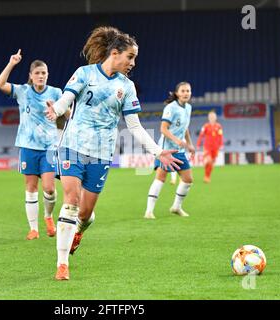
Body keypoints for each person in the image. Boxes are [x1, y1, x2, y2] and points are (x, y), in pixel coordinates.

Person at [45, 26, 183, 280]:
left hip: (101, 153)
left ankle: (79, 231)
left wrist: (157, 151)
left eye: (134, 59)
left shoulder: (126, 87)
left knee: (85, 214)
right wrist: (57, 109)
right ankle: (62, 264)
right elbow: (66, 97)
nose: (133, 63)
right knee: (71, 200)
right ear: (115, 53)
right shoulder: (84, 73)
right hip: (72, 146)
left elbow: (134, 126)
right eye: (130, 57)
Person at [0, 49, 62, 240]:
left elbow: (68, 115)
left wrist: (56, 110)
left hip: (49, 147)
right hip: (27, 146)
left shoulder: (56, 92)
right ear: (31, 76)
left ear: (47, 75)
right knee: (31, 187)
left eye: (44, 73)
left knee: (49, 188)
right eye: (37, 73)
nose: (41, 76)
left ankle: (48, 216)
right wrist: (11, 63)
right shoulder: (23, 91)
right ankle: (33, 229)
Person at [144, 82, 195, 219]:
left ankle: (176, 207)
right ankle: (149, 211)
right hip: (166, 150)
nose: (186, 93)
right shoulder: (171, 108)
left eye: (188, 91)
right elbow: (163, 129)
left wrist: (189, 144)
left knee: (188, 179)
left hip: (179, 150)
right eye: (183, 91)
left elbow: (185, 129)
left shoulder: (188, 108)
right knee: (161, 178)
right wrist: (177, 140)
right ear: (177, 93)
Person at [196, 110, 223, 183]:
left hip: (215, 147)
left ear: (215, 117)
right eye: (210, 116)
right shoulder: (205, 126)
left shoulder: (219, 126)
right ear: (208, 118)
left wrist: (221, 144)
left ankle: (207, 176)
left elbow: (220, 136)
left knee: (212, 163)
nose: (212, 118)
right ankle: (206, 176)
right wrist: (198, 144)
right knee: (209, 160)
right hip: (207, 147)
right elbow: (201, 135)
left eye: (213, 116)